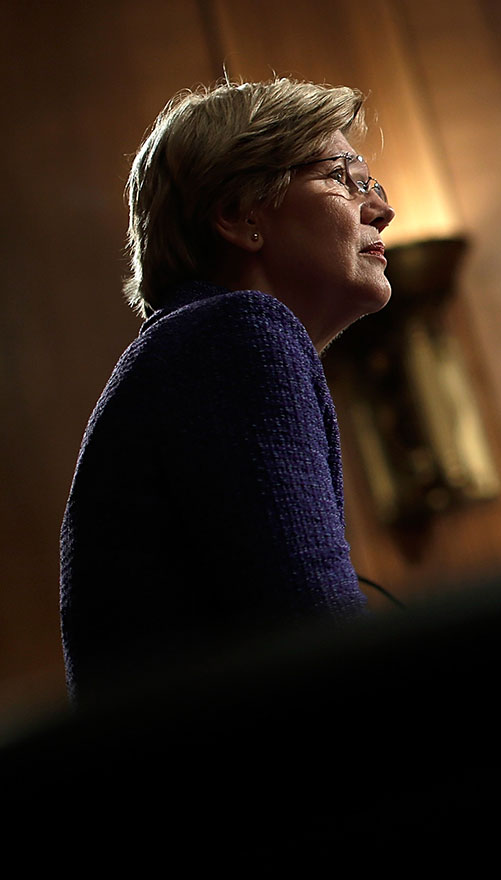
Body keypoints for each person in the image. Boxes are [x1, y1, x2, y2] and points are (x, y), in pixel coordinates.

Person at [60, 78, 397, 701]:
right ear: (241, 216)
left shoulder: (195, 346)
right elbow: (317, 637)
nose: (380, 207)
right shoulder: (239, 333)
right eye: (343, 177)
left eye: (370, 184)